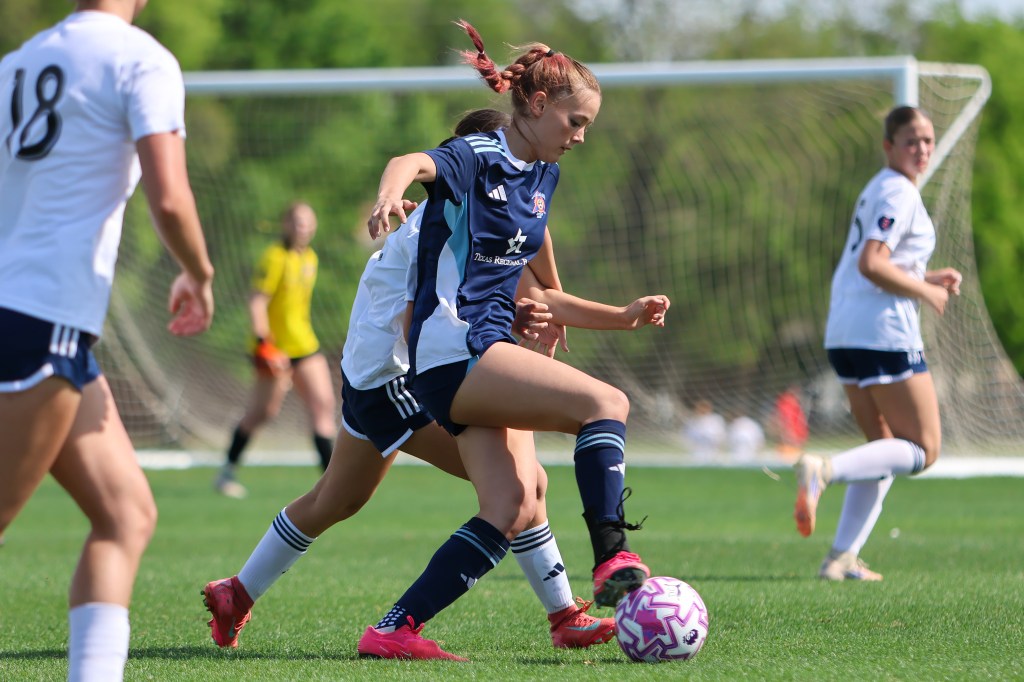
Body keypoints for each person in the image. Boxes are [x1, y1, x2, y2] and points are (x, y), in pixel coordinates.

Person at [201, 109, 670, 658]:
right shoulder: (442, 219)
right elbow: (416, 319)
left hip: (376, 373)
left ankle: (236, 592)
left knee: (337, 498)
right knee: (517, 487)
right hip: (398, 377)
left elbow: (523, 288)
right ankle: (527, 615)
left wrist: (601, 313)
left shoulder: (483, 213)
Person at [359, 20, 669, 660]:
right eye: (574, 121)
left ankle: (392, 630)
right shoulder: (477, 157)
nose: (580, 136)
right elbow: (410, 162)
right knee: (607, 405)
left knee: (511, 503)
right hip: (457, 351)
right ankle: (613, 557)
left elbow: (544, 295)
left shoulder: (541, 177)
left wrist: (624, 314)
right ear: (535, 105)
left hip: (473, 358)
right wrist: (390, 196)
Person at [0, 1, 215, 680]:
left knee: (125, 513)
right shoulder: (139, 58)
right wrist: (198, 272)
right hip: (43, 318)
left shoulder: (19, 61)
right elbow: (171, 198)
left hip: (30, 314)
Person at [793, 105, 962, 581]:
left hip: (845, 330)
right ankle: (822, 469)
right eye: (912, 141)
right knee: (923, 450)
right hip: (882, 332)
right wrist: (926, 291)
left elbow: (874, 264)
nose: (922, 149)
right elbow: (872, 262)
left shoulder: (878, 187)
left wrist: (927, 275)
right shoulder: (899, 191)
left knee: (882, 450)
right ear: (889, 146)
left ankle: (841, 557)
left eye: (928, 140)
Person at [214, 202, 337, 498]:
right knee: (262, 413)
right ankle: (226, 472)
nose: (302, 227)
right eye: (296, 222)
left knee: (323, 405)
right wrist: (263, 344)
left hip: (305, 345)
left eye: (307, 222)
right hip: (275, 349)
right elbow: (257, 301)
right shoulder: (275, 257)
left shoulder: (311, 258)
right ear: (285, 224)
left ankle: (333, 484)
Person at [682, 398, 726, 463]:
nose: (702, 410)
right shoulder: (692, 421)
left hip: (713, 452)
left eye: (705, 407)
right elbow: (686, 435)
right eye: (700, 407)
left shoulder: (716, 419)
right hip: (697, 452)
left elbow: (721, 435)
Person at [774, 385, 808, 460]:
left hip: (793, 444)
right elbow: (785, 423)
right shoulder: (787, 404)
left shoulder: (793, 405)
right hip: (790, 445)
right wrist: (791, 438)